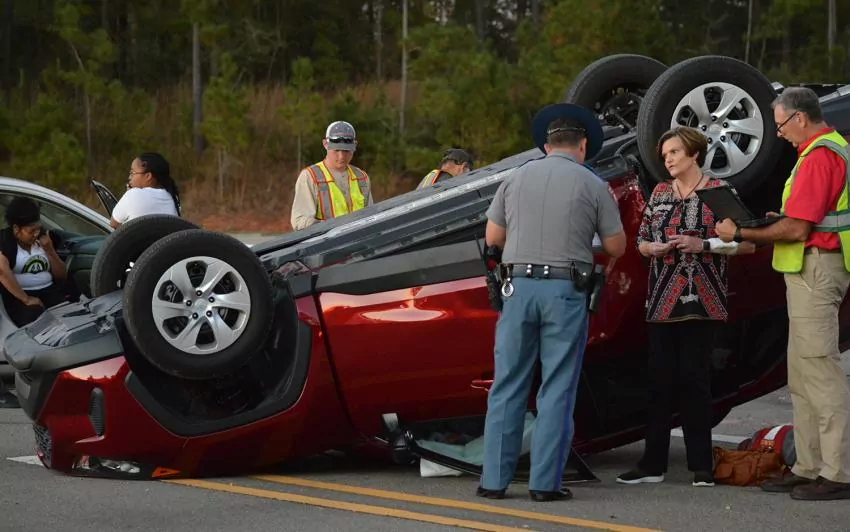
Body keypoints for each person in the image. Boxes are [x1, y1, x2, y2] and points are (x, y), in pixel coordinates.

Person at [478, 103, 626, 502]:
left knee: (508, 384)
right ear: (582, 146)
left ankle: (493, 481)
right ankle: (544, 484)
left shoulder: (515, 177)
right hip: (565, 292)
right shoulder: (593, 184)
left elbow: (493, 238)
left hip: (517, 290)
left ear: (546, 146)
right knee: (557, 387)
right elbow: (616, 245)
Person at [716, 87, 850, 501]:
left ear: (800, 118)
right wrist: (778, 220)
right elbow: (806, 218)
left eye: (780, 125)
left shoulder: (819, 156)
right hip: (812, 270)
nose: (779, 133)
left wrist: (741, 232)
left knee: (820, 374)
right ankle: (809, 466)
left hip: (816, 271)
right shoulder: (828, 150)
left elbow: (797, 229)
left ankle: (838, 472)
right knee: (804, 375)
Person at [615, 126, 756, 489]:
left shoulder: (718, 192)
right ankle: (652, 463)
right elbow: (641, 241)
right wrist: (653, 248)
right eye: (665, 155)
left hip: (702, 300)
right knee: (658, 381)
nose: (668, 160)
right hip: (662, 300)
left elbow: (747, 243)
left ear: (694, 153)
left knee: (695, 380)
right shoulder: (661, 192)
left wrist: (703, 245)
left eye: (674, 152)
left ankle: (701, 466)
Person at [290, 121, 373, 230]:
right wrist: (326, 227)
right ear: (325, 144)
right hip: (326, 240)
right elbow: (299, 220)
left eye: (346, 151)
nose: (341, 156)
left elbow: (371, 217)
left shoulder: (361, 178)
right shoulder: (310, 177)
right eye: (336, 150)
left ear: (355, 146)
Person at [0, 197, 67, 327]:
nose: (36, 234)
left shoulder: (44, 239)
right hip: (21, 297)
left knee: (67, 314)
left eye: (38, 229)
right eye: (31, 231)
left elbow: (62, 275)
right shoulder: (6, 243)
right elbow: (2, 270)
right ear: (16, 229)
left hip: (49, 291)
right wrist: (26, 299)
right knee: (36, 318)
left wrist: (50, 250)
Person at [111, 152, 181, 228]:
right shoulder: (172, 197)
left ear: (148, 176)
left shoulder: (133, 194)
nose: (129, 177)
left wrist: (129, 193)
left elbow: (113, 224)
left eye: (132, 173)